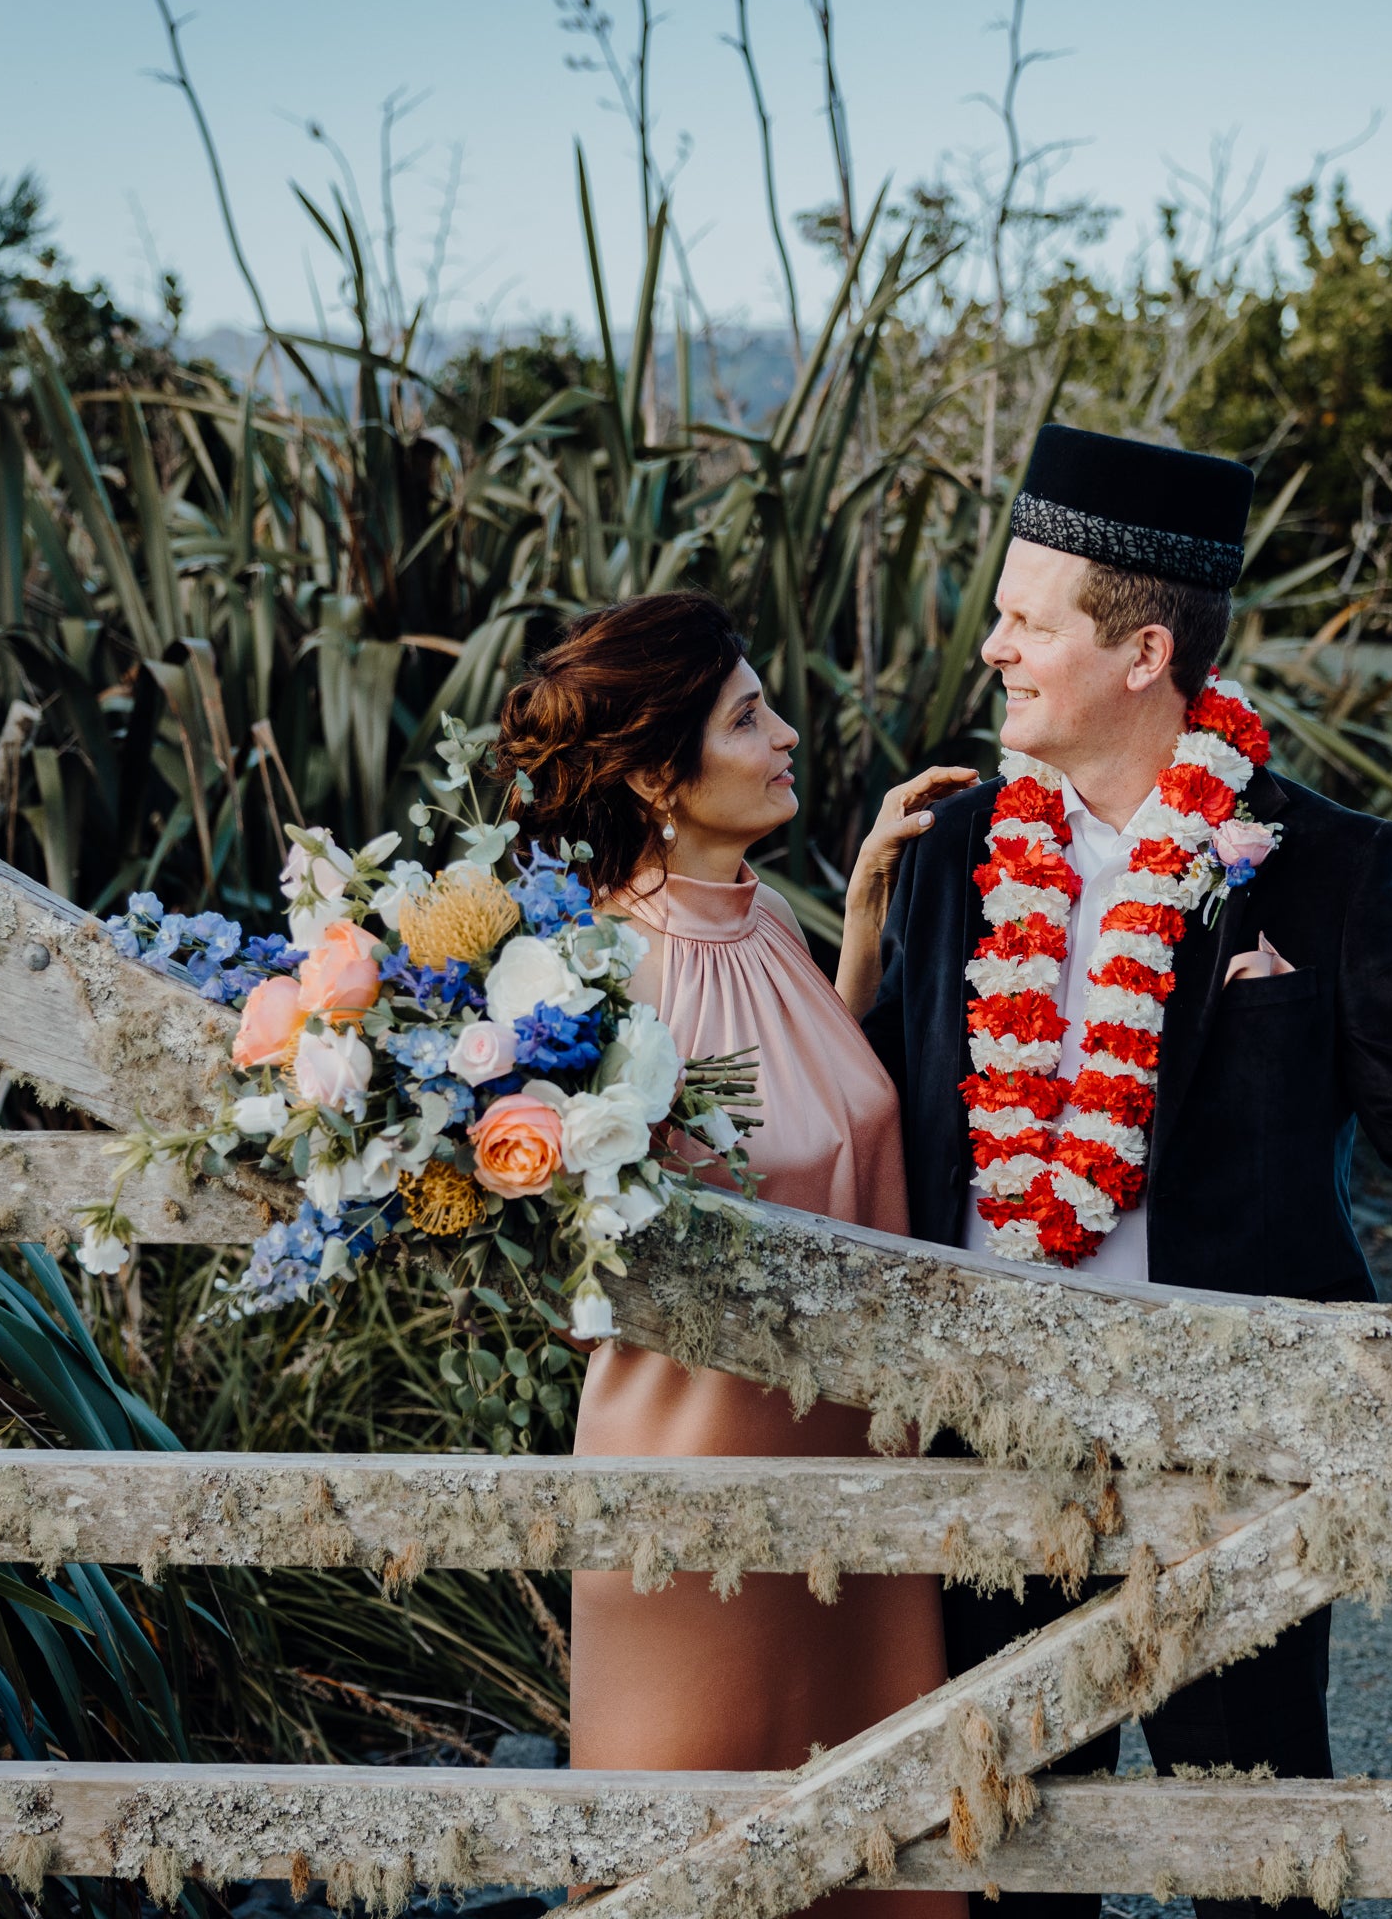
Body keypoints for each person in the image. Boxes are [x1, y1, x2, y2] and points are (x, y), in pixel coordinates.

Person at [851, 424, 1392, 1919]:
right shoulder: (955, 852)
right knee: (1012, 1840)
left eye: (1025, 623)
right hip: (994, 1425)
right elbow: (881, 1111)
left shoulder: (1324, 865)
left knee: (1254, 1838)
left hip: (1230, 1439)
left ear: (1142, 652)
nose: (993, 651)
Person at [497, 591, 971, 1919]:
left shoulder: (758, 915)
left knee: (868, 1845)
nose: (785, 734)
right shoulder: (589, 975)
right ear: (658, 775)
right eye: (747, 717)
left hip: (855, 1460)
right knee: (698, 1844)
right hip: (698, 1466)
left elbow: (815, 1102)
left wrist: (862, 911)